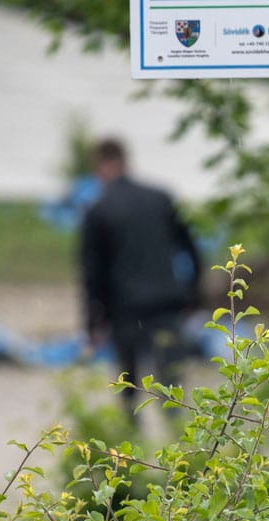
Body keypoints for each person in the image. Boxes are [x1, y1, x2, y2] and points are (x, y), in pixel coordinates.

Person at [79, 138, 201, 414]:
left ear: (100, 165)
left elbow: (92, 272)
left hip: (124, 308)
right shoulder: (161, 198)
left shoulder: (98, 209)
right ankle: (179, 437)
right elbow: (192, 250)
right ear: (125, 161)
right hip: (166, 302)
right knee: (171, 384)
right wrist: (193, 296)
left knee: (128, 383)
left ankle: (130, 436)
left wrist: (92, 321)